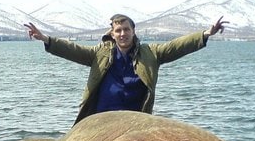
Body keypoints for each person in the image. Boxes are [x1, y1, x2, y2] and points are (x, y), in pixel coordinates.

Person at [24, 14, 228, 124]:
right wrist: (46, 39)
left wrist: (205, 34)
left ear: (133, 31)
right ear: (112, 34)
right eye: (118, 30)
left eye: (127, 29)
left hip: (135, 120)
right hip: (100, 119)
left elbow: (176, 46)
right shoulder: (99, 54)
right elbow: (72, 50)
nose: (123, 34)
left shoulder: (151, 53)